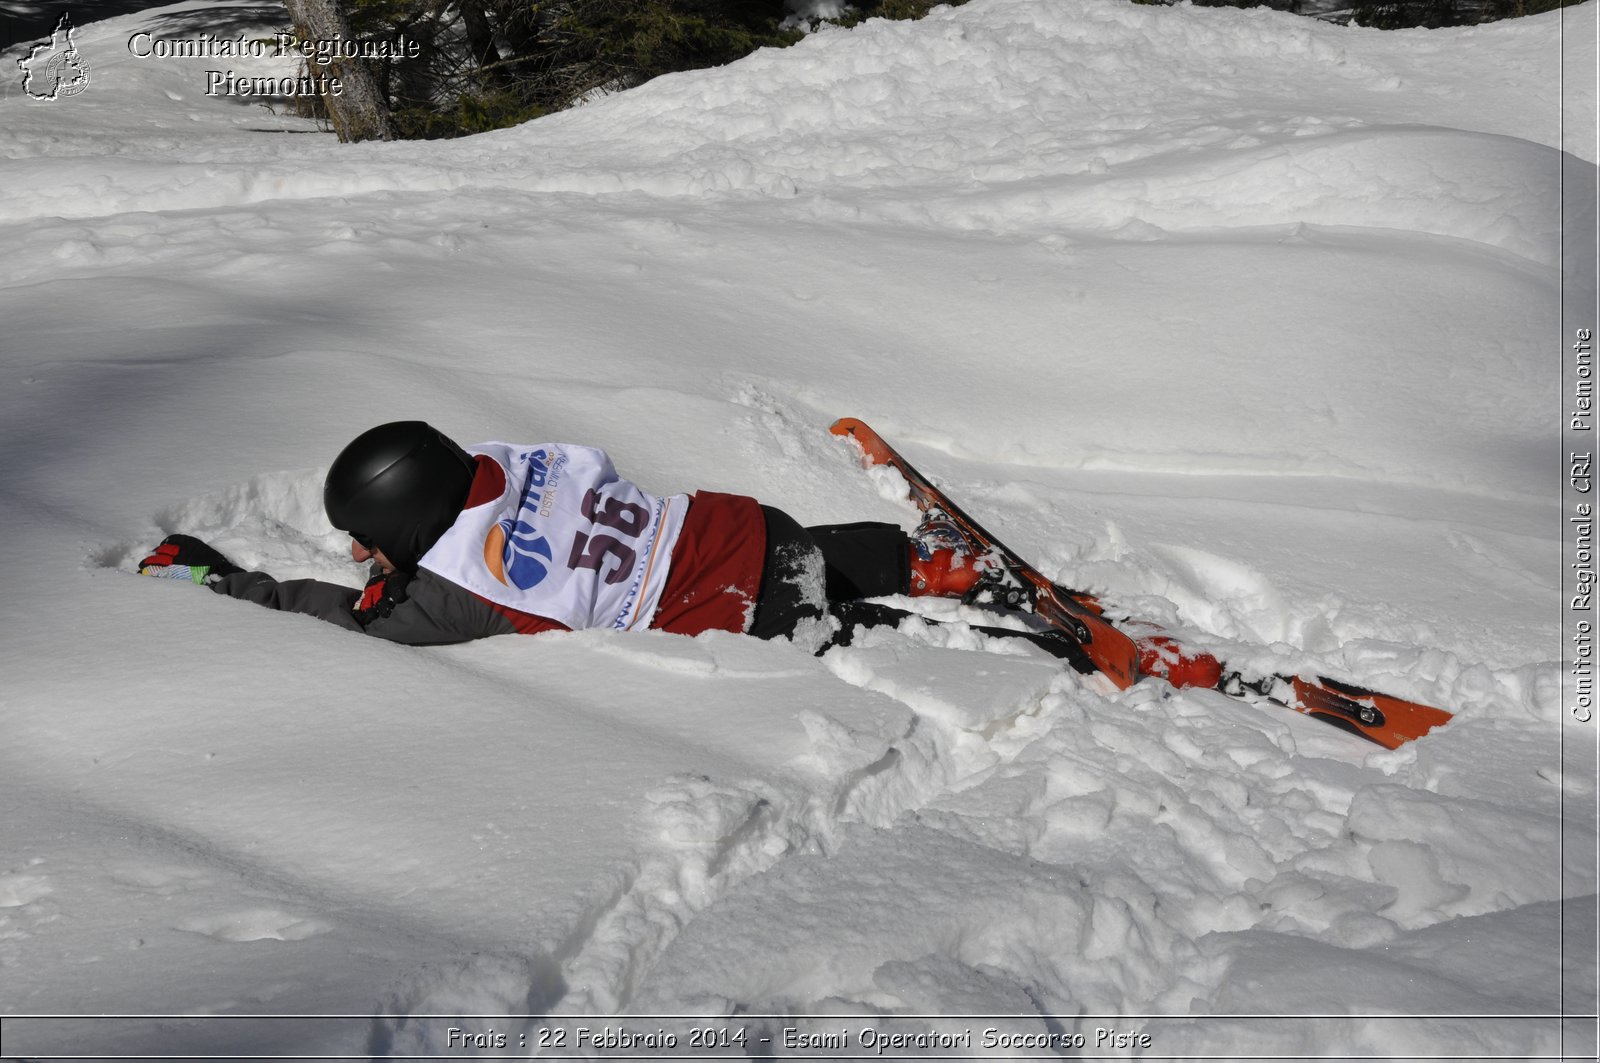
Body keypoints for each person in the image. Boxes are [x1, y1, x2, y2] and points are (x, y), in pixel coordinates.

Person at [137, 421, 1090, 666]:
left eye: (368, 542)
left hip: (740, 611)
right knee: (820, 561)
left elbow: (351, 623)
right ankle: (937, 561)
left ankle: (1013, 650)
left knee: (861, 630)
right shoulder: (503, 465)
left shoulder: (456, 591)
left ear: (409, 527)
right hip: (751, 525)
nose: (362, 560)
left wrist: (229, 581)